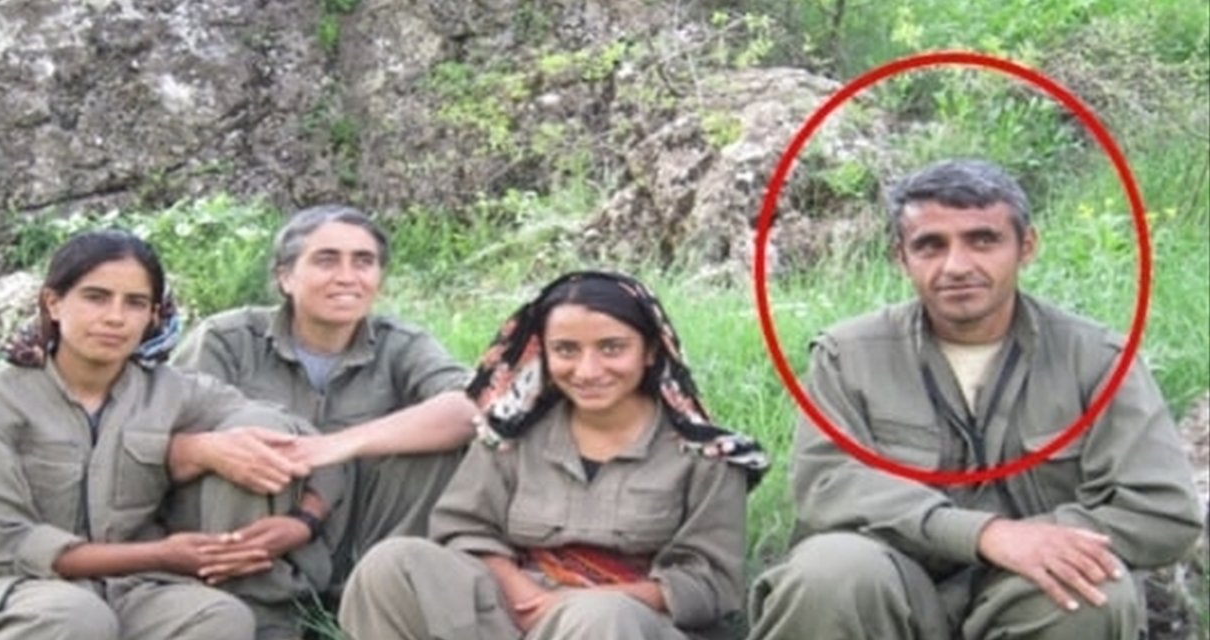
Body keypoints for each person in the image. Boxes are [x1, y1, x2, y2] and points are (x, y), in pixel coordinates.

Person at [746, 159, 1203, 640]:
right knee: (828, 573)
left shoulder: (1096, 359)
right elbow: (827, 484)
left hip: (1026, 593)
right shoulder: (848, 356)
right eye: (930, 245)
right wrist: (985, 535)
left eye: (983, 240)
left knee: (1089, 589)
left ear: (1026, 247)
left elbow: (1163, 510)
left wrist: (1046, 539)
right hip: (891, 579)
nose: (957, 266)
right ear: (901, 257)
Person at [339, 271, 770, 640]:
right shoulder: (510, 436)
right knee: (392, 565)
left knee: (598, 618)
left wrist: (587, 602)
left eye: (612, 348)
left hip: (630, 623)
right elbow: (464, 531)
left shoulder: (708, 455)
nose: (587, 370)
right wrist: (524, 594)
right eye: (566, 350)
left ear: (651, 350)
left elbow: (710, 582)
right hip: (517, 612)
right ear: (543, 352)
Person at [0, 230, 317, 639]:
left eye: (135, 303)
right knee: (78, 618)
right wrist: (160, 555)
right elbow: (4, 545)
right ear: (54, 303)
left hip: (120, 586)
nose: (115, 317)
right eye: (96, 297)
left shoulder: (168, 391)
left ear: (152, 315)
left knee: (219, 616)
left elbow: (303, 440)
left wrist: (304, 519)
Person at [169, 204, 477, 609]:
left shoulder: (401, 345)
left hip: (355, 529)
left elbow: (475, 406)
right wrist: (207, 450)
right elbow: (156, 442)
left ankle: (374, 597)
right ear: (285, 277)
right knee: (250, 428)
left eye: (363, 262)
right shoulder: (226, 340)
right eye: (326, 260)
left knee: (439, 447)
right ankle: (257, 609)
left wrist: (336, 446)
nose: (347, 277)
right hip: (252, 530)